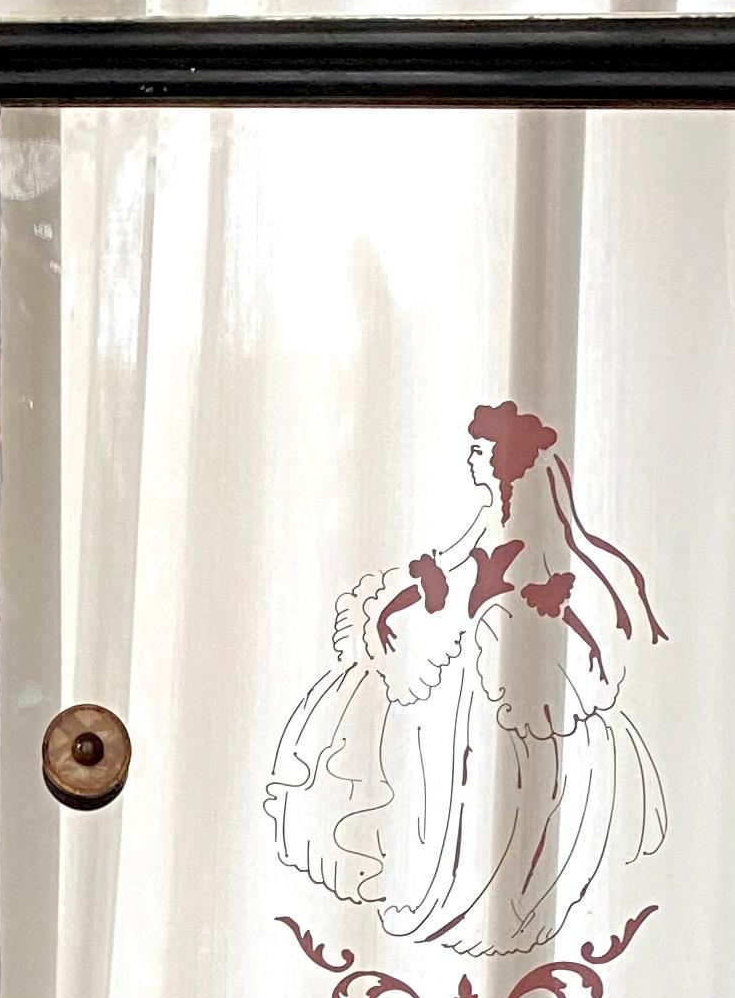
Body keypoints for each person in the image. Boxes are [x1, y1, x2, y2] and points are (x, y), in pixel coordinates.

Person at [267, 397, 666, 958]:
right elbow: (443, 567)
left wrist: (592, 643)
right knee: (452, 781)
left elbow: (552, 599)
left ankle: (485, 902)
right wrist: (387, 610)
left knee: (492, 785)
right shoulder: (487, 518)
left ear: (505, 461)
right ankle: (451, 891)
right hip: (472, 671)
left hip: (502, 678)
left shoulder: (535, 531)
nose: (472, 461)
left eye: (480, 452)